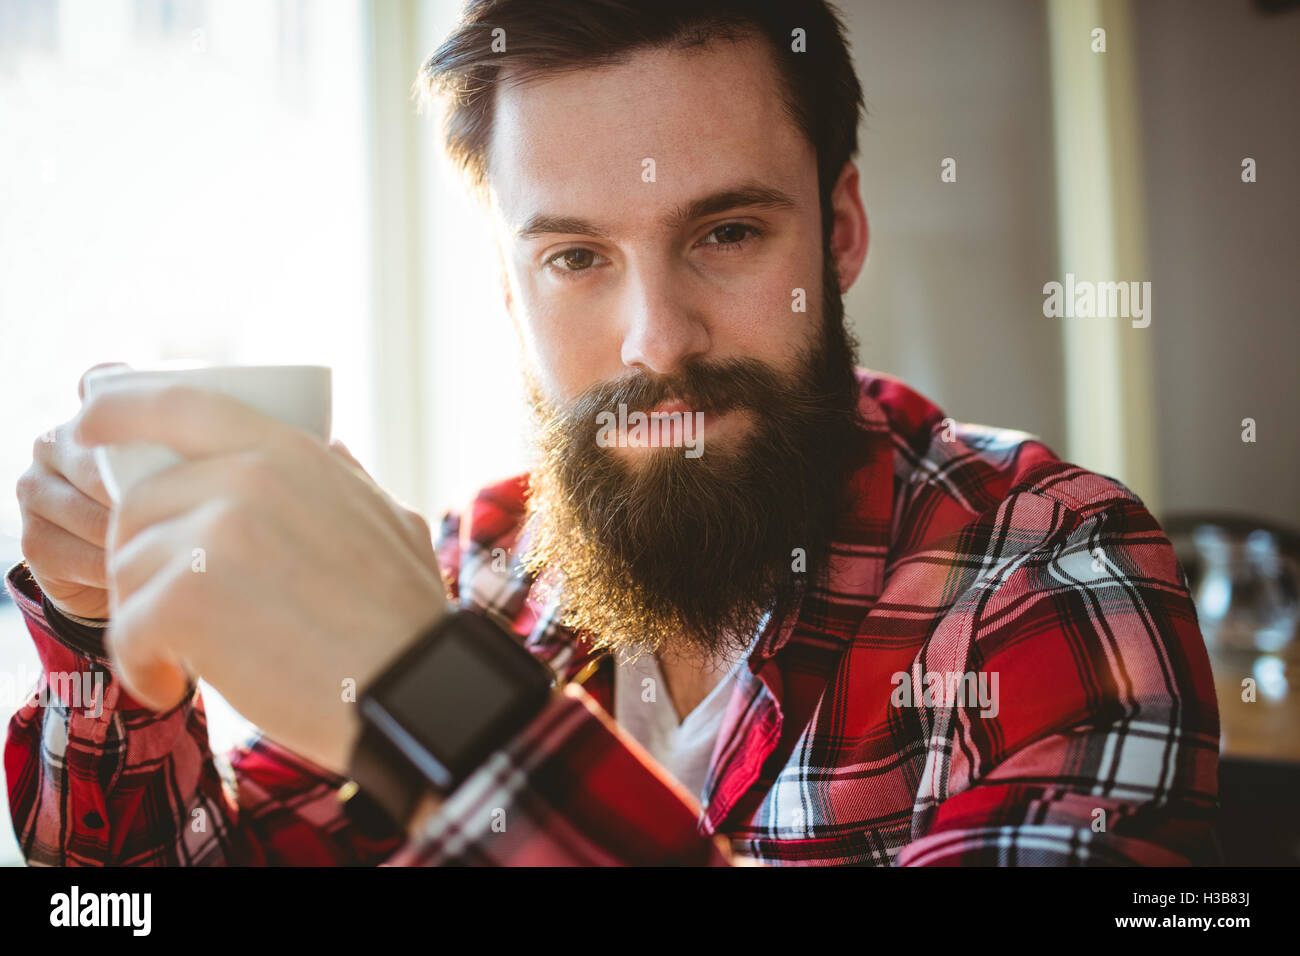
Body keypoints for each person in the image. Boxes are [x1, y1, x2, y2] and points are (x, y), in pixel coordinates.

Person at [6, 0, 1219, 866]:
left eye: (727, 233)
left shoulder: (1052, 568)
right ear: (507, 289)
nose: (655, 340)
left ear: (837, 232)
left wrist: (446, 710)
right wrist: (109, 630)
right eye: (576, 257)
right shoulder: (475, 566)